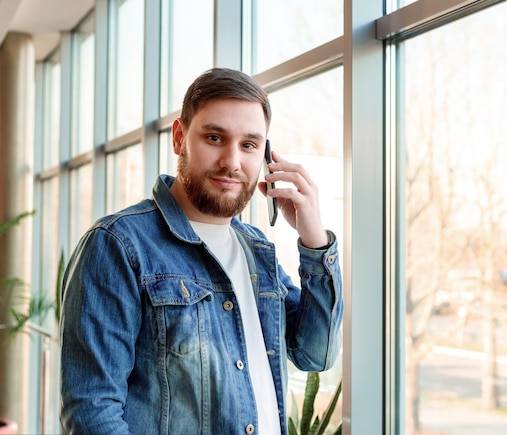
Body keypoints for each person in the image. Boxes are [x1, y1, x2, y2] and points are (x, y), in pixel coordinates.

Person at [59, 68, 343, 435]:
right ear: (180, 138)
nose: (232, 161)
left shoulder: (256, 250)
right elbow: (91, 411)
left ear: (266, 156)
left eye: (249, 145)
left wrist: (314, 239)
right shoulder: (118, 244)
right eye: (214, 137)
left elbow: (314, 354)